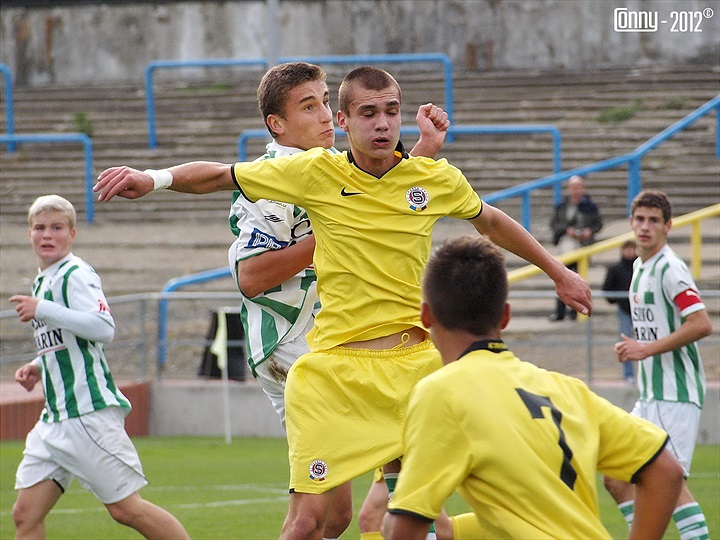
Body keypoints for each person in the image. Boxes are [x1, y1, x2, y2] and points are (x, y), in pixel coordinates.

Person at [94, 65, 592, 540]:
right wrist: (152, 179)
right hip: (330, 371)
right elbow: (221, 176)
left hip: (414, 367)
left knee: (414, 522)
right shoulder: (313, 173)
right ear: (344, 121)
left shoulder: (431, 178)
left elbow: (490, 221)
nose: (382, 123)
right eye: (368, 113)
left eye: (391, 111)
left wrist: (559, 272)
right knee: (311, 523)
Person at [227, 61, 450, 539]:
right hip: (295, 348)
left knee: (340, 517)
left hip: (341, 344)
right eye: (310, 107)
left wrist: (427, 148)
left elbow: (395, 195)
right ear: (277, 125)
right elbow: (249, 277)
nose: (327, 115)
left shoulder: (332, 169)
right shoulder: (274, 183)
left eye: (326, 101)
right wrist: (334, 234)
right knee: (322, 516)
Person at [382, 235, 684, 540]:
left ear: (425, 316)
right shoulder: (565, 389)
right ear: (506, 316)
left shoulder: (441, 392)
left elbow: (406, 529)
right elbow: (665, 470)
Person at [10, 195, 190, 540]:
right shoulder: (43, 280)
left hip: (86, 414)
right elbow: (71, 338)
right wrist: (38, 364)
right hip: (55, 419)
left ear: (72, 234)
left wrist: (43, 309)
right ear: (30, 233)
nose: (47, 235)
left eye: (56, 228)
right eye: (39, 227)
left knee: (126, 509)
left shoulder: (75, 274)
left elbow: (103, 328)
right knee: (25, 514)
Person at [604, 190, 712, 540]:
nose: (645, 227)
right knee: (615, 476)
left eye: (654, 220)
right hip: (651, 395)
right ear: (631, 223)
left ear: (668, 226)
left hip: (675, 395)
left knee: (672, 486)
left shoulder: (672, 269)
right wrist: (634, 349)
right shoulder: (639, 266)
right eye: (640, 219)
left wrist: (645, 350)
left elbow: (701, 324)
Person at [548, 174, 603, 321]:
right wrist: (567, 230)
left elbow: (598, 224)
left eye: (578, 187)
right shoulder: (561, 206)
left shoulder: (590, 207)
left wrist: (588, 231)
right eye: (573, 187)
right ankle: (561, 311)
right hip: (566, 246)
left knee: (577, 280)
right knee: (562, 277)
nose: (576, 190)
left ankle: (575, 312)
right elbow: (554, 224)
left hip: (583, 247)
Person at [602, 239, 638, 384]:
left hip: (641, 310)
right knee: (625, 342)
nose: (630, 252)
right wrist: (617, 300)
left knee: (647, 342)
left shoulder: (640, 267)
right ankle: (628, 374)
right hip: (624, 310)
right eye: (627, 249)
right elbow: (607, 288)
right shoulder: (615, 269)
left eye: (632, 249)